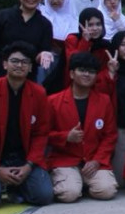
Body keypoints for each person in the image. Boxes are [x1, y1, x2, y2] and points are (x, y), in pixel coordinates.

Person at [0, 42, 54, 210]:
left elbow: (41, 133)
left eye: (24, 62)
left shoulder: (38, 93)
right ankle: (0, 182)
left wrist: (28, 166)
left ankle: (16, 184)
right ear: (5, 64)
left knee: (44, 196)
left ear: (30, 67)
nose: (19, 65)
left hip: (24, 159)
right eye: (14, 61)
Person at [46, 53, 118, 203]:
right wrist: (66, 137)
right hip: (66, 159)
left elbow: (110, 135)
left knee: (106, 191)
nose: (87, 74)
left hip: (93, 158)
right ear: (72, 73)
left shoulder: (104, 101)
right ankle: (74, 183)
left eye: (91, 72)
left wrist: (97, 161)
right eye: (82, 70)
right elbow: (44, 134)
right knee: (68, 194)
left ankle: (82, 182)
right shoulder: (53, 101)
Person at [98, 31, 125, 187]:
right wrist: (111, 73)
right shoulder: (107, 71)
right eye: (123, 45)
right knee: (121, 181)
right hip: (118, 128)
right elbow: (101, 98)